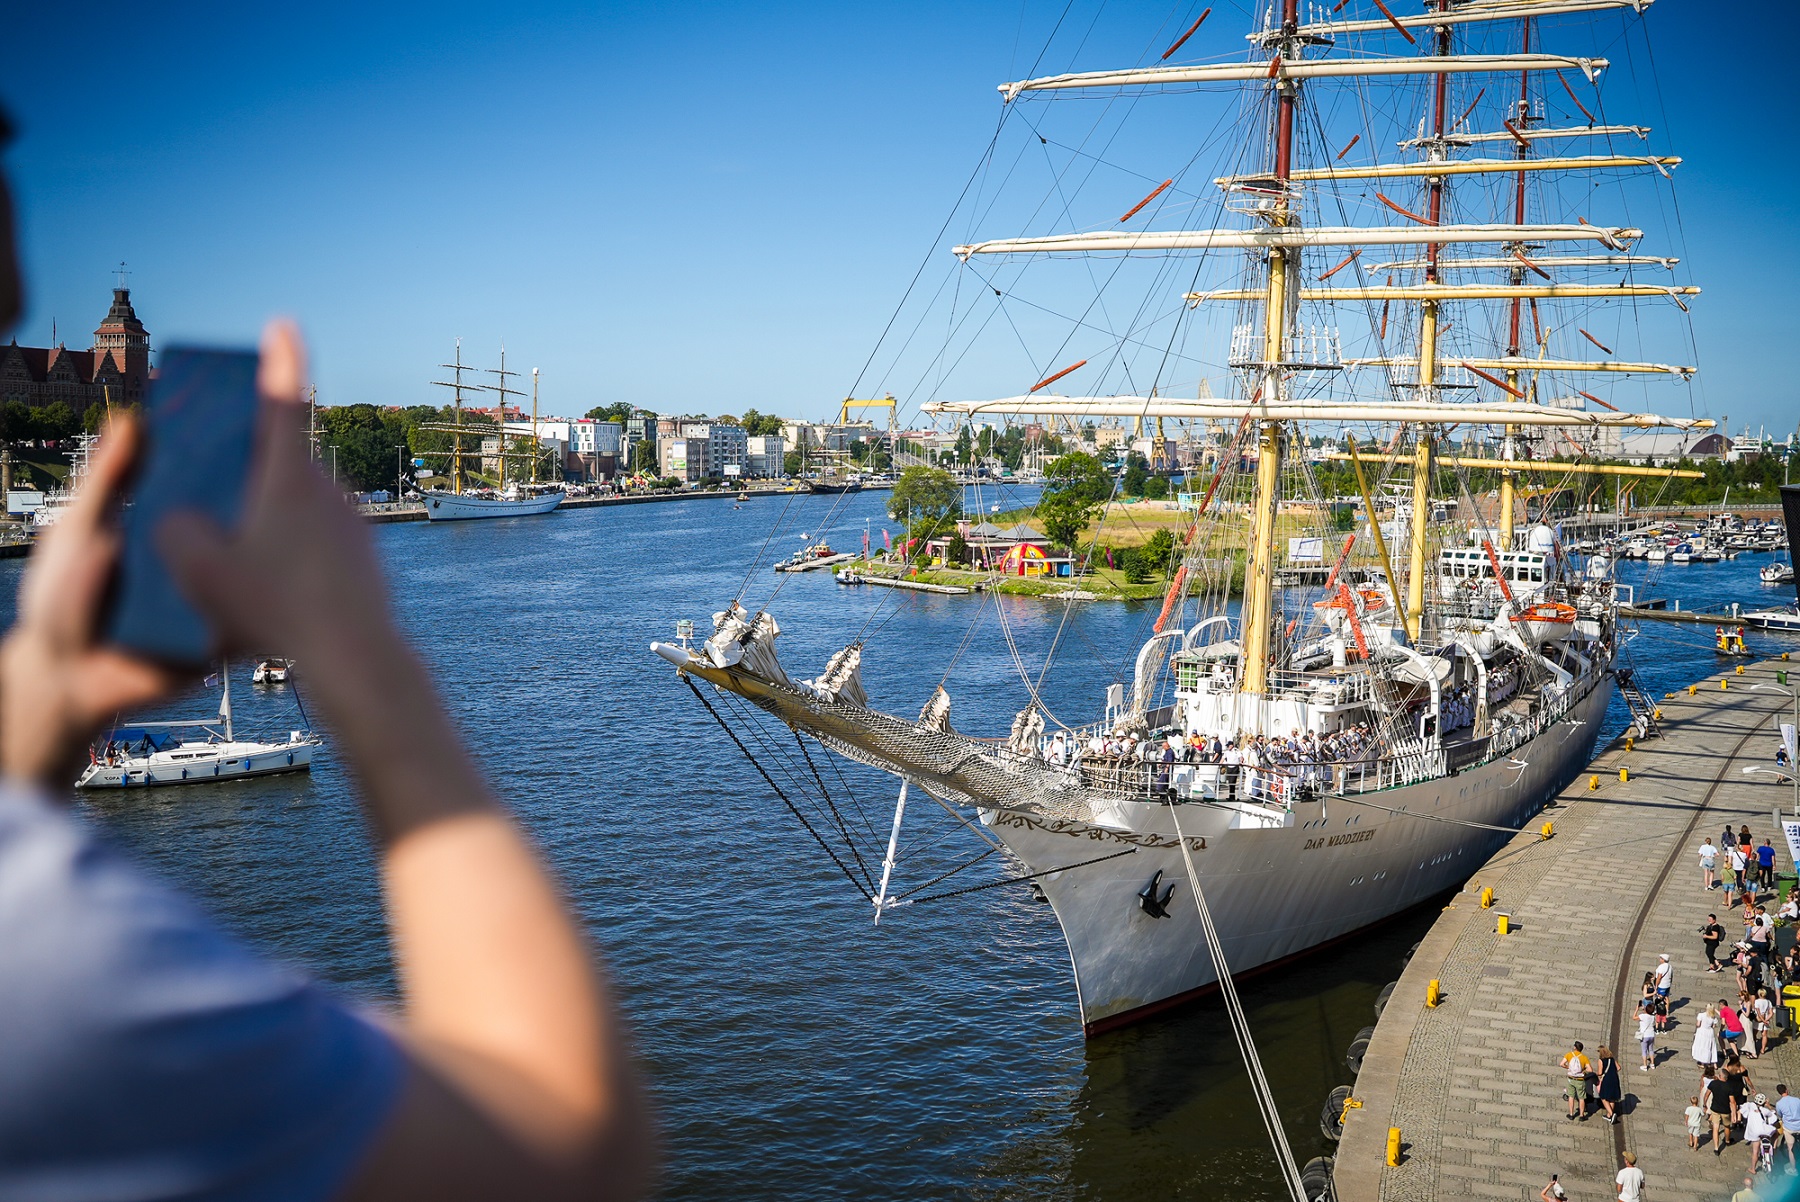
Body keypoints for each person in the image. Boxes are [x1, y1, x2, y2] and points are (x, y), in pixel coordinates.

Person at [0, 132, 653, 1202]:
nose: (19, 275)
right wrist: (356, 646)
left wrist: (35, 715)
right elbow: (573, 1144)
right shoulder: (49, 971)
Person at [1746, 1093, 1780, 1174]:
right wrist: (1768, 1105)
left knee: (1755, 1151)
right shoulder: (1766, 1111)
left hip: (1756, 1133)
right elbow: (1774, 1116)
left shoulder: (1751, 1109)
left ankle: (1753, 1169)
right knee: (1775, 1133)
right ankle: (1773, 1147)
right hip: (1766, 1131)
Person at [1562, 1041, 1593, 1120]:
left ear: (1575, 1047)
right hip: (1580, 1080)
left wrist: (1568, 1068)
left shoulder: (1569, 1055)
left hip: (1571, 1079)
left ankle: (1571, 1114)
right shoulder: (1584, 1058)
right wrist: (1583, 1071)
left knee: (1571, 1096)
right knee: (1581, 1097)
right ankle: (1582, 1116)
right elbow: (1590, 1069)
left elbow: (1561, 1064)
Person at [1711, 1068, 1739, 1152]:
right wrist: (1734, 1114)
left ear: (1720, 1076)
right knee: (1727, 1126)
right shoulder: (1729, 1087)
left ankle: (1716, 1148)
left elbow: (1707, 1094)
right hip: (1725, 1110)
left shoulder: (1713, 1083)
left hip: (1715, 1108)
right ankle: (1727, 1140)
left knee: (1715, 1128)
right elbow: (1733, 1102)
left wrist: (1705, 1104)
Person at [1775, 1084, 1800, 1172]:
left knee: (1790, 1149)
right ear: (1787, 1090)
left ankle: (1793, 1168)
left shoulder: (1779, 1104)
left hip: (1789, 1128)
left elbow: (1779, 1114)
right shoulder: (1797, 1100)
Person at [1596, 1046, 1623, 1123]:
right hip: (1614, 1078)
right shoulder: (1612, 1059)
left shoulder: (1601, 1060)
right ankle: (1609, 1115)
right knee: (1612, 1098)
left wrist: (1597, 1074)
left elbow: (1600, 1072)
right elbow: (1618, 1068)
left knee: (1603, 1097)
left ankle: (1611, 1114)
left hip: (1607, 1080)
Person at [1695, 1004, 1722, 1078]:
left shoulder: (1701, 1015)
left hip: (1702, 1032)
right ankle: (1715, 1063)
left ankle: (1703, 1063)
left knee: (1703, 1046)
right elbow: (1713, 1026)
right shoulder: (1713, 1017)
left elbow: (1698, 1024)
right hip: (1710, 1032)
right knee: (1711, 1047)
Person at [1638, 1003, 1658, 1071]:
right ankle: (1652, 1064)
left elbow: (1634, 1017)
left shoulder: (1642, 1016)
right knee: (1651, 1049)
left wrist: (1636, 1009)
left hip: (1644, 1036)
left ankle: (1645, 1065)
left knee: (1644, 1051)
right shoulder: (1653, 1017)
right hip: (1651, 1035)